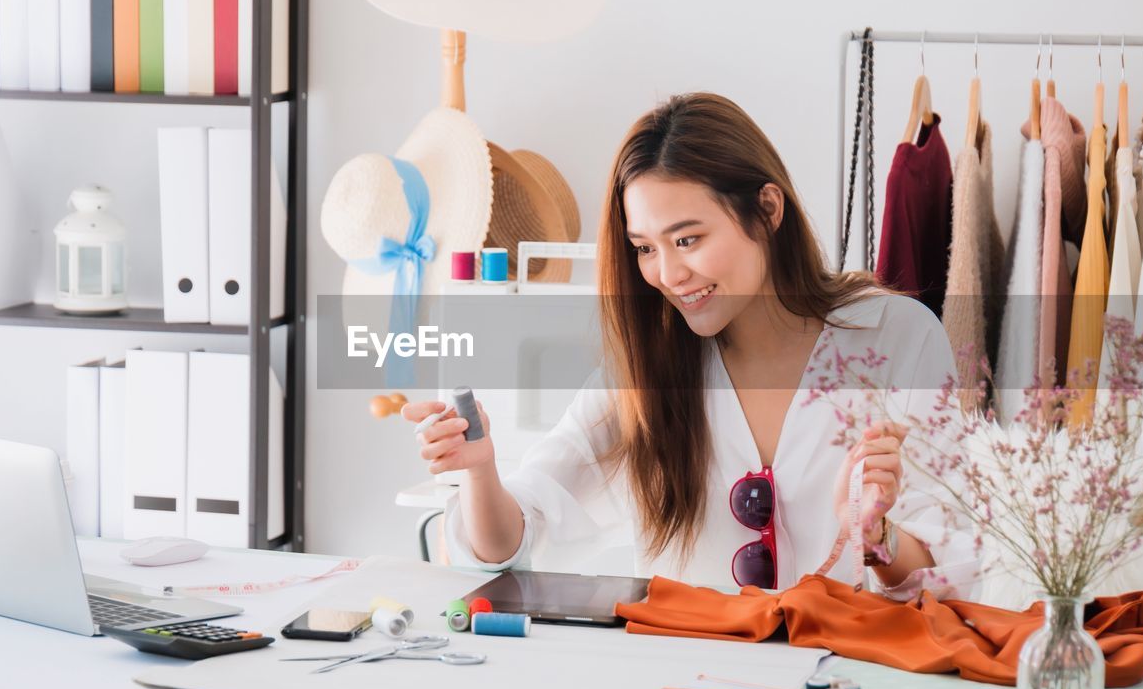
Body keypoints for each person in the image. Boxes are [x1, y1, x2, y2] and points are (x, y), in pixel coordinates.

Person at [404, 93, 977, 599]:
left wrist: (878, 537)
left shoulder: (896, 338)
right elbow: (512, 543)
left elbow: (953, 576)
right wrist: (479, 472)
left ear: (768, 210)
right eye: (645, 248)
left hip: (845, 688)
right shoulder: (647, 372)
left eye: (687, 239)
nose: (669, 273)